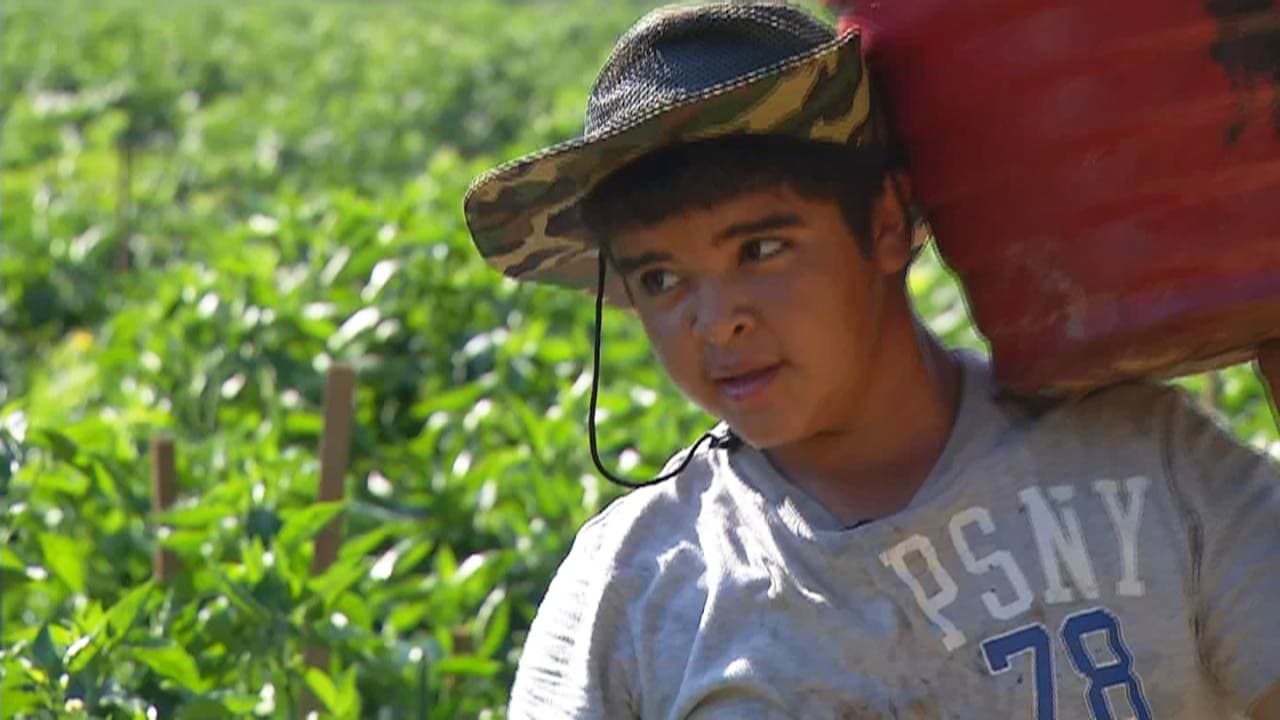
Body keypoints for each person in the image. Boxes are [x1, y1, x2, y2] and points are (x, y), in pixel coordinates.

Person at [463, 2, 1280, 718]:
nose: (717, 323)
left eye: (762, 248)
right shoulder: (633, 590)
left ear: (888, 224)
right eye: (662, 278)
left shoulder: (1147, 465)